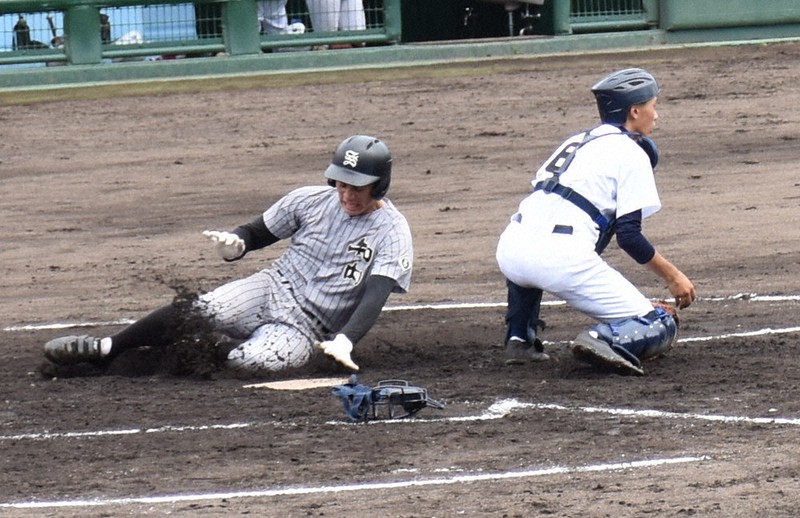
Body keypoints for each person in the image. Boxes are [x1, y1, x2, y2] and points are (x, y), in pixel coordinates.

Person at [43, 135, 413, 375]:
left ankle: (164, 358)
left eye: (358, 188)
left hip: (307, 327)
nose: (347, 194)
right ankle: (108, 348)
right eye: (342, 184)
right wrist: (236, 244)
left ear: (379, 184)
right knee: (203, 311)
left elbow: (375, 294)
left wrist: (346, 340)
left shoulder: (393, 231)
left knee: (248, 363)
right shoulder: (308, 200)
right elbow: (255, 234)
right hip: (270, 287)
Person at [495, 68, 697, 376]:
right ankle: (601, 339)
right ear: (634, 110)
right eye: (653, 105)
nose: (656, 114)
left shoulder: (577, 142)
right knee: (658, 321)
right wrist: (673, 276)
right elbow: (629, 236)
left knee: (533, 238)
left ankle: (519, 339)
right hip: (559, 259)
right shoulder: (632, 151)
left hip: (510, 248)